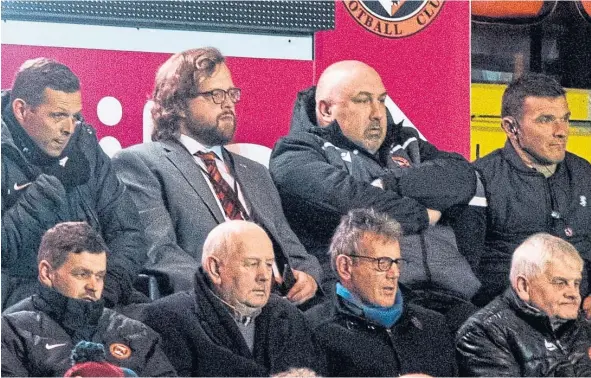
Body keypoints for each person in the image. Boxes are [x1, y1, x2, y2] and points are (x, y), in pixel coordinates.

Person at [112, 47, 322, 304]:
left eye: (232, 93)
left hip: (280, 306)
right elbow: (159, 252)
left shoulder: (256, 172)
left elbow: (293, 249)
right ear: (178, 104)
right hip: (207, 308)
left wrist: (308, 277)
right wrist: (223, 290)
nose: (228, 103)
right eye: (215, 94)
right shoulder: (141, 163)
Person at [269, 60, 480, 312]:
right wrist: (423, 213)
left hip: (454, 293)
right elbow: (353, 204)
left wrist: (388, 184)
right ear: (326, 110)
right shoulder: (294, 154)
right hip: (360, 305)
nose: (377, 113)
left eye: (381, 100)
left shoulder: (405, 141)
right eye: (362, 100)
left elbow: (462, 175)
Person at [1, 58, 147, 309]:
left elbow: (128, 233)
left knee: (168, 321)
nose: (69, 128)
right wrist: (53, 185)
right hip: (23, 301)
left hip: (99, 295)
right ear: (21, 110)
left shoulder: (84, 146)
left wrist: (106, 286)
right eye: (58, 115)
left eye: (75, 116)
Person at [452, 73, 591, 310]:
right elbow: (468, 275)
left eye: (565, 119)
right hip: (512, 319)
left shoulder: (584, 173)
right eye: (545, 120)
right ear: (510, 127)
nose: (561, 131)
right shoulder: (480, 180)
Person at [139, 220, 321, 376]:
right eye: (251, 264)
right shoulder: (167, 320)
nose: (264, 276)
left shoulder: (289, 316)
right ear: (215, 269)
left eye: (268, 265)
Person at [1, 222, 176, 377]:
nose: (93, 286)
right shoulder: (11, 332)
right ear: (47, 273)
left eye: (99, 276)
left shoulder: (136, 333)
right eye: (82, 274)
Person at [306, 209, 456, 377]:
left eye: (396, 263)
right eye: (382, 262)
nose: (394, 273)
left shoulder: (433, 325)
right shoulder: (313, 330)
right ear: (345, 267)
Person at [456, 233, 591, 376]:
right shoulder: (482, 333)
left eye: (576, 283)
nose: (573, 294)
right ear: (523, 286)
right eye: (560, 283)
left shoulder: (578, 324)